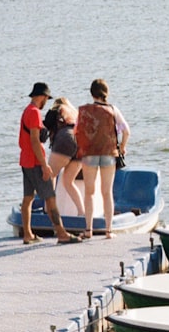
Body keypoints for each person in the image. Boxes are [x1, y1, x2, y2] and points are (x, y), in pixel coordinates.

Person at [18, 82, 81, 245]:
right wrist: (44, 165)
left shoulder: (27, 111)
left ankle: (28, 234)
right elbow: (34, 140)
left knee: (28, 198)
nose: (47, 100)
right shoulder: (34, 113)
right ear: (42, 96)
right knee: (50, 198)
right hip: (34, 162)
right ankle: (61, 234)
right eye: (46, 97)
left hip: (25, 160)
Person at [75, 79, 130, 239]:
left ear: (92, 93)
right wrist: (122, 147)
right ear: (107, 93)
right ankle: (108, 231)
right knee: (107, 193)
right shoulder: (113, 110)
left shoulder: (83, 110)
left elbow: (76, 131)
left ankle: (88, 230)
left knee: (89, 192)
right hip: (108, 154)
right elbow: (126, 131)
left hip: (89, 154)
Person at [45, 97, 84, 219]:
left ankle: (49, 210)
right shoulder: (75, 112)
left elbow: (48, 129)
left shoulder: (57, 110)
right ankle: (81, 212)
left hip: (65, 138)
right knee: (68, 181)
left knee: (49, 174)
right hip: (81, 142)